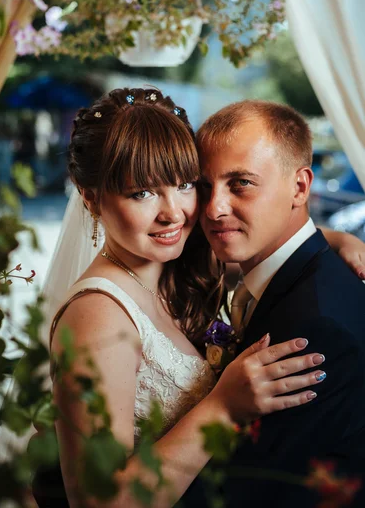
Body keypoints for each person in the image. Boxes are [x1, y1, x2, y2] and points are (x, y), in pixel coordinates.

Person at [33, 89, 365, 508]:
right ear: (91, 197)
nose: (177, 212)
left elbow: (270, 240)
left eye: (186, 185)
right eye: (142, 193)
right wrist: (222, 407)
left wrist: (333, 240)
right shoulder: (97, 316)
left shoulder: (174, 265)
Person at [182, 99, 365, 507]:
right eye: (205, 186)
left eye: (241, 183)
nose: (214, 208)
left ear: (300, 187)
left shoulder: (315, 329)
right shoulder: (272, 272)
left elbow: (246, 490)